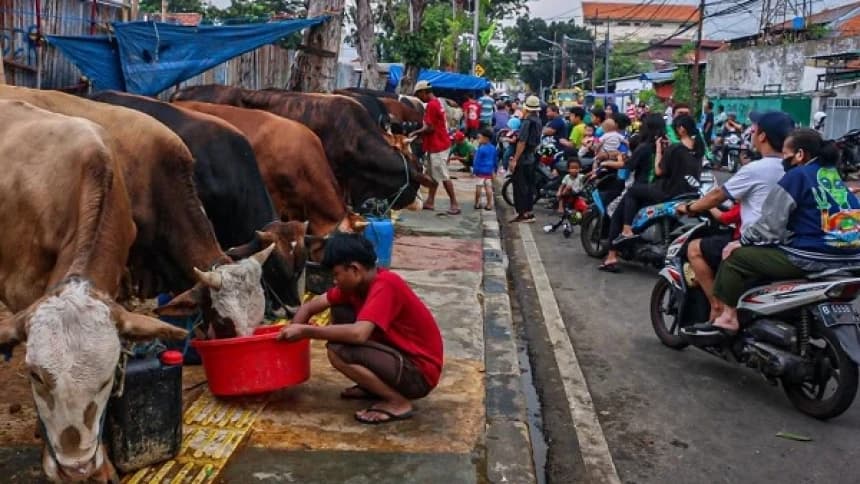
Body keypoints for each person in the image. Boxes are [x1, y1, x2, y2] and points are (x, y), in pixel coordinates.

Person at [682, 129, 860, 344]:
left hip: (811, 257)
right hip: (850, 258)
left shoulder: (796, 176)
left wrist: (742, 242)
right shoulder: (832, 175)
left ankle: (727, 317)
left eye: (786, 155)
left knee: (733, 258)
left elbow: (770, 224)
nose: (784, 160)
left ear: (800, 154)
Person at [278, 233, 443, 424]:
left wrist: (307, 332)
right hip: (400, 359)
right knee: (341, 310)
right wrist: (289, 341)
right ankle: (373, 387)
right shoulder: (356, 287)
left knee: (337, 351)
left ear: (354, 269)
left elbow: (358, 334)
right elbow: (309, 307)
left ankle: (397, 401)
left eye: (336, 274)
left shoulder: (386, 284)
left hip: (419, 374)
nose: (334, 281)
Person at [677, 111, 795, 320]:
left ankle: (717, 306)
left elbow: (716, 196)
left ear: (762, 136)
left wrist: (690, 208)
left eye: (754, 129)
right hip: (788, 244)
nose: (750, 133)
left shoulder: (756, 168)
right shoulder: (797, 169)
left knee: (695, 248)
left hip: (754, 243)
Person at [612, 115, 703, 246]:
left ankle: (627, 230)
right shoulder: (698, 150)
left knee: (632, 191)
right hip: (689, 192)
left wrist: (660, 150)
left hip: (668, 191)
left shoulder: (675, 148)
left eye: (675, 129)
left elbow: (659, 171)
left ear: (681, 129)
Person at [598, 113, 667, 271]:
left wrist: (615, 162)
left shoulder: (643, 148)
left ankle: (611, 257)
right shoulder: (664, 146)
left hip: (639, 190)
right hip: (660, 189)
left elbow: (627, 167)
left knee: (616, 216)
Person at [410, 81, 461, 215]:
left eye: (418, 95)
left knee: (443, 175)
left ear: (423, 92)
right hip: (437, 143)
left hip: (438, 144)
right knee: (433, 175)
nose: (419, 98)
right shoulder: (438, 102)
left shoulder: (432, 105)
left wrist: (415, 133)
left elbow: (429, 127)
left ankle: (454, 203)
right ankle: (430, 201)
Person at [509, 95, 543, 223]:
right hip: (532, 157)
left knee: (520, 186)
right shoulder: (538, 121)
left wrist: (515, 159)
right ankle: (529, 212)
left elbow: (522, 142)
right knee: (529, 186)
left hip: (523, 158)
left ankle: (522, 213)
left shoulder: (527, 122)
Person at [472, 128, 497, 211]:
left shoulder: (481, 149)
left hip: (480, 171)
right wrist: (494, 170)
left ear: (486, 138)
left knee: (478, 187)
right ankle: (489, 204)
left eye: (480, 137)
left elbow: (477, 160)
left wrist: (474, 170)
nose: (479, 139)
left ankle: (477, 203)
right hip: (489, 171)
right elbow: (495, 160)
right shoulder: (493, 148)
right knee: (488, 188)